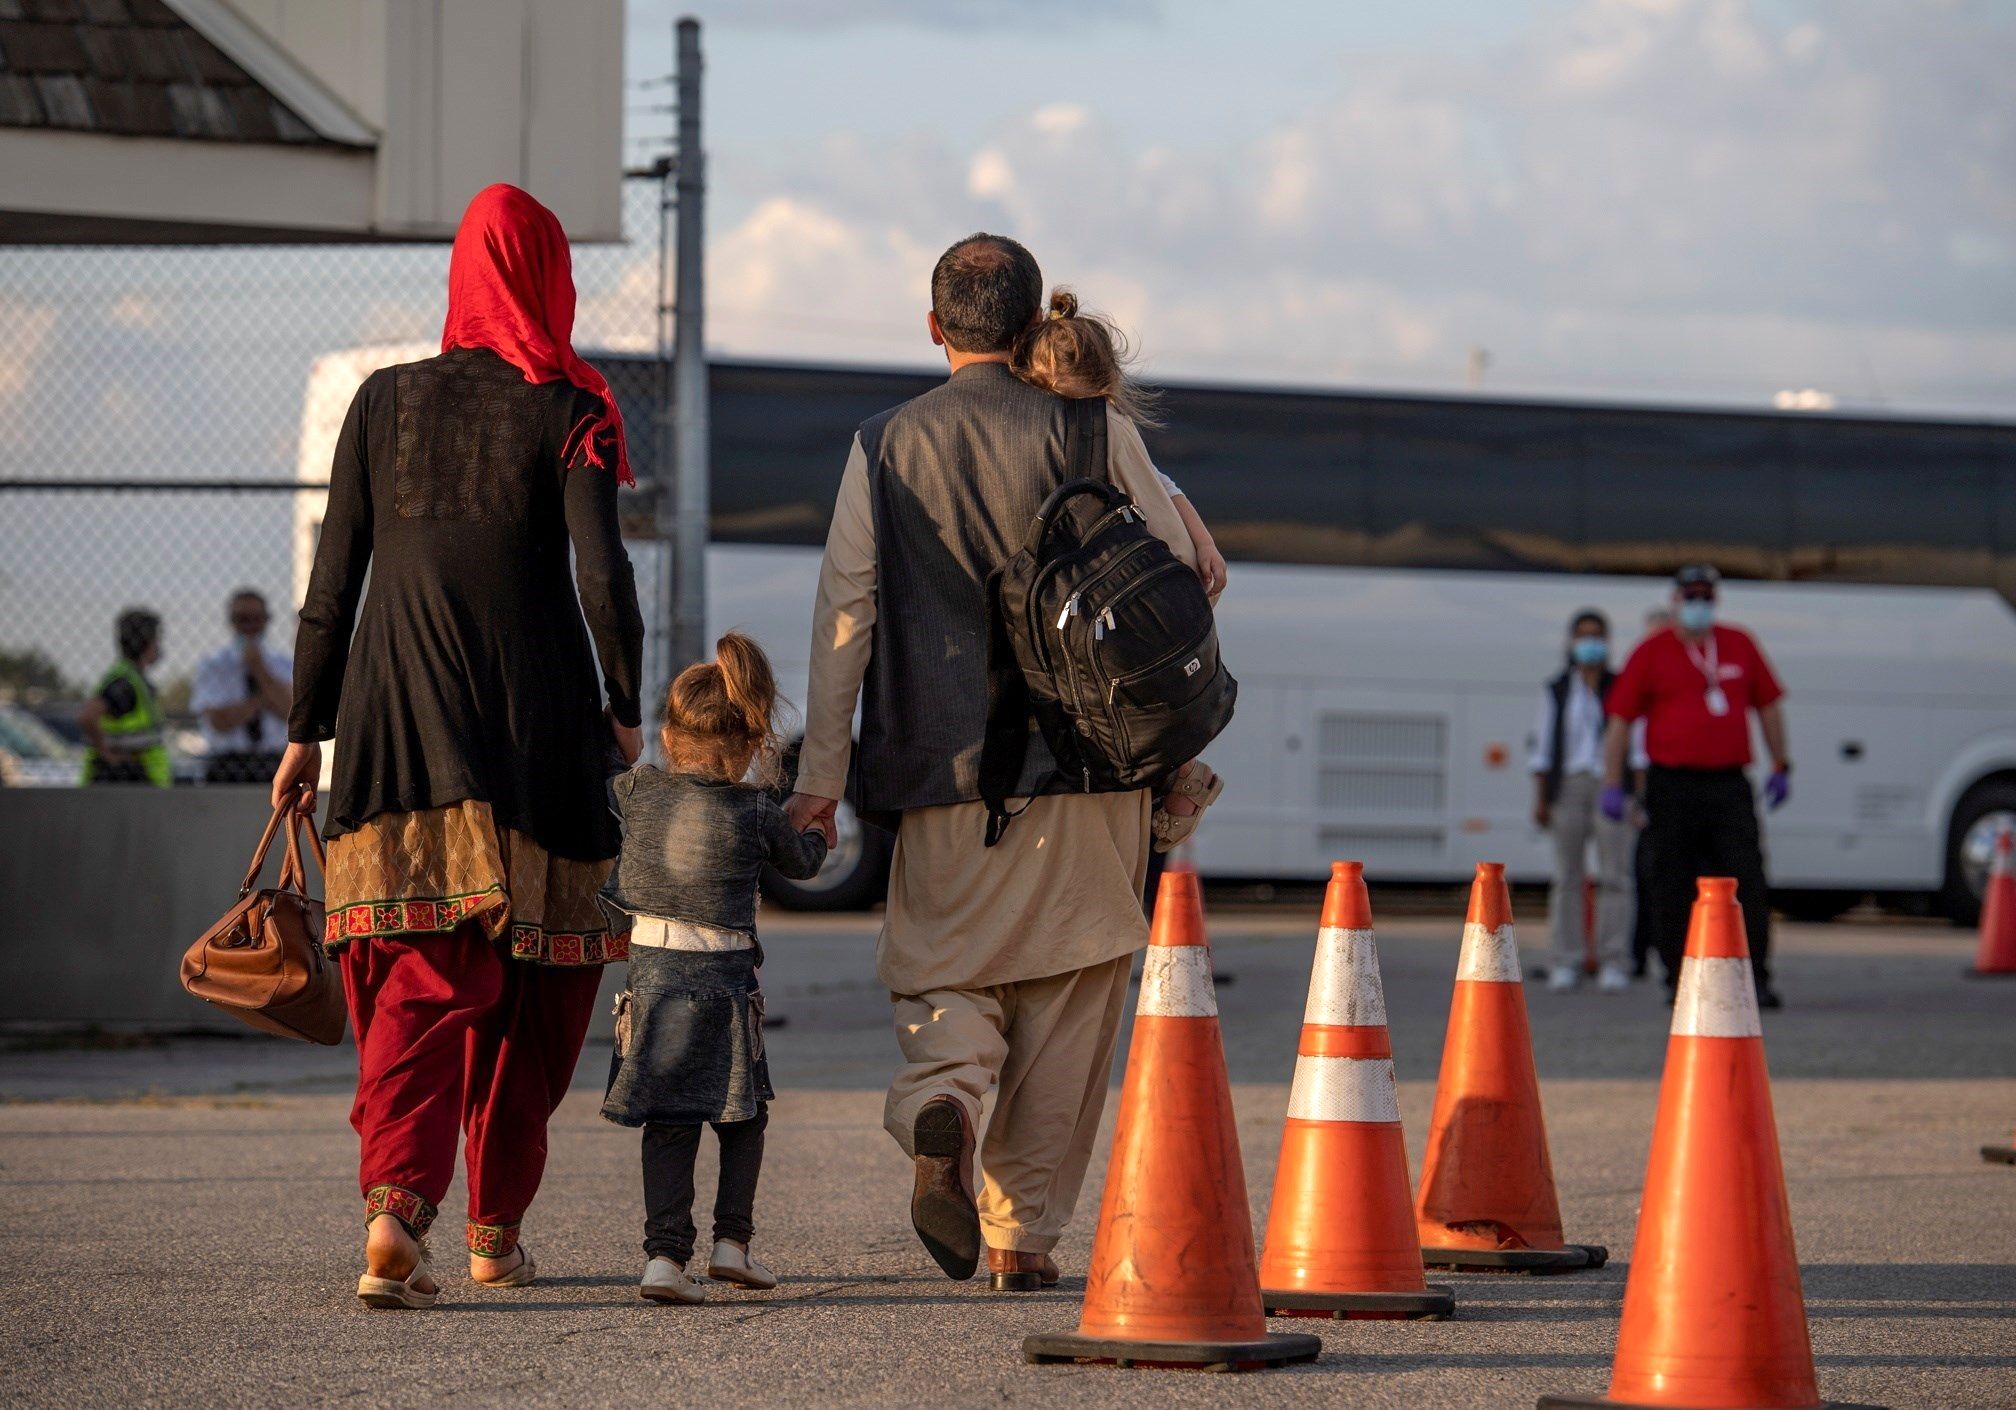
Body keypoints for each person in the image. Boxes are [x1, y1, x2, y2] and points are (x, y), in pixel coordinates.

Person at [785, 234, 1207, 1293]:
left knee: (948, 973)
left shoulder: (883, 445)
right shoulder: (1089, 425)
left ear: (935, 328)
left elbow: (846, 617)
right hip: (1091, 770)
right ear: (1030, 327)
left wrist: (821, 778)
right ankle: (1024, 1239)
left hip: (943, 774)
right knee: (1069, 999)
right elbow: (1185, 572)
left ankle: (946, 1101)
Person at [270, 184, 645, 1309]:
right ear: (548, 275)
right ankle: (492, 1231)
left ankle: (395, 1209)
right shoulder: (572, 403)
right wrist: (623, 704)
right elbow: (601, 575)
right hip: (534, 719)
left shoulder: (381, 402)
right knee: (535, 986)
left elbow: (331, 583)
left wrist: (304, 729)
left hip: (396, 713)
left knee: (419, 973)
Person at [599, 633, 829, 1305]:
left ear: (670, 738)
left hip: (654, 985)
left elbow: (607, 778)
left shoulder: (638, 792)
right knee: (743, 1116)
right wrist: (815, 831)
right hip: (727, 987)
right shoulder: (757, 810)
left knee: (669, 1123)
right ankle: (733, 1245)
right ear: (751, 742)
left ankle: (663, 1262)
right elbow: (804, 866)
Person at [1006, 287, 1226, 911]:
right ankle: (1181, 767)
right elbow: (1170, 503)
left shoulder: (1056, 428)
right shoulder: (1108, 425)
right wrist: (1200, 538)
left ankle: (1179, 772)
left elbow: (1158, 485)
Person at [1602, 565, 1791, 1008]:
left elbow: (1769, 706)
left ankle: (1754, 977)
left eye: (1705, 597)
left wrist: (1781, 763)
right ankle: (1678, 977)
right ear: (1675, 600)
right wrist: (1614, 782)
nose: (1698, 605)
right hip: (1672, 785)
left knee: (1747, 881)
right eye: (1690, 597)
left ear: (1716, 601)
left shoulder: (1739, 644)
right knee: (1671, 882)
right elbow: (1620, 721)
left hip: (1728, 785)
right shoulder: (1653, 651)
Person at [1529, 608, 1631, 992]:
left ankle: (1614, 959)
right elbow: (1542, 749)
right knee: (1567, 878)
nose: (1591, 644)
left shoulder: (1621, 685)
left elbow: (1635, 744)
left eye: (1597, 636)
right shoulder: (1556, 688)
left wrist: (1633, 794)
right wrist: (1542, 798)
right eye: (1583, 636)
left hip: (1610, 784)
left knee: (1616, 877)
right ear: (1572, 642)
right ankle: (1566, 959)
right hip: (1568, 786)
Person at [190, 589, 292, 783]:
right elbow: (219, 721)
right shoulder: (213, 666)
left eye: (256, 619)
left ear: (266, 621)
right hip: (226, 762)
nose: (250, 627)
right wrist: (263, 701)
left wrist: (259, 669)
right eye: (243, 619)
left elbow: (292, 712)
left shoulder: (284, 664)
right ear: (232, 621)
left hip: (273, 760)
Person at [79, 607, 170, 787]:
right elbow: (87, 716)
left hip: (134, 780)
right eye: (156, 640)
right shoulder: (125, 683)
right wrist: (108, 755)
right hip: (124, 780)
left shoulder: (132, 679)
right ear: (147, 643)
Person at [1628, 605, 1670, 980]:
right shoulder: (1637, 683)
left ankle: (1660, 953)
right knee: (1643, 877)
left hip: (1668, 790)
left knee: (1663, 876)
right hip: (1646, 795)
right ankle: (1639, 953)